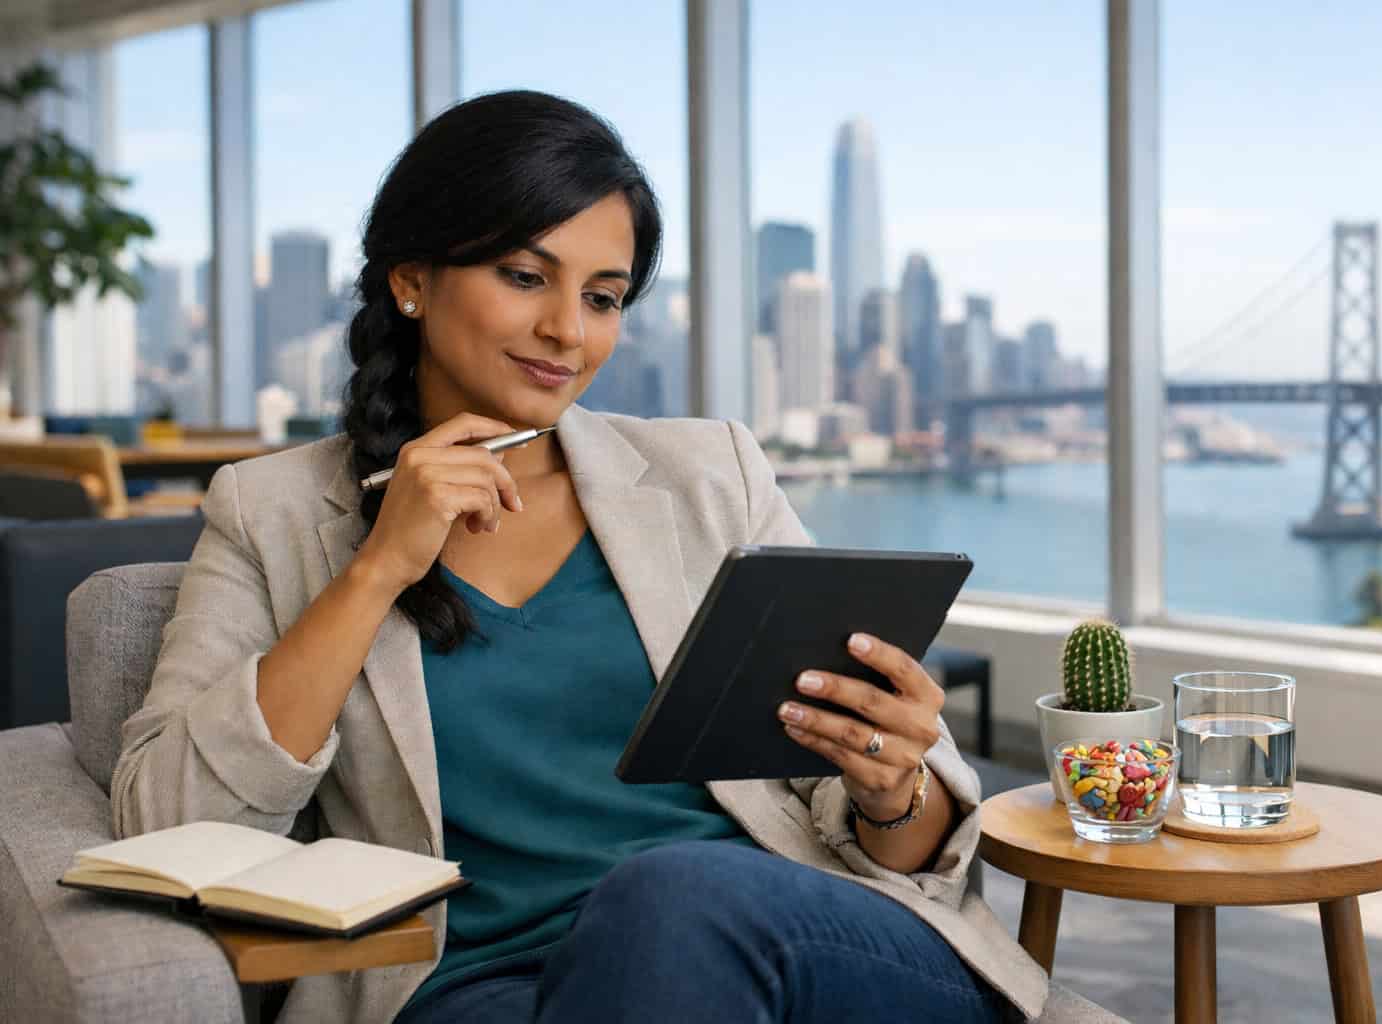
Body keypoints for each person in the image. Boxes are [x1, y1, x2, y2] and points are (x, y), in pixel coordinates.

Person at [111, 91, 1108, 1024]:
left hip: (784, 939)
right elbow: (168, 816)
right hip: (480, 984)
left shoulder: (708, 473)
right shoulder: (274, 511)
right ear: (411, 281)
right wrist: (375, 571)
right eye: (524, 277)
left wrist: (896, 788)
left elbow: (907, 835)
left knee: (671, 896)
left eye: (603, 295)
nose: (567, 333)